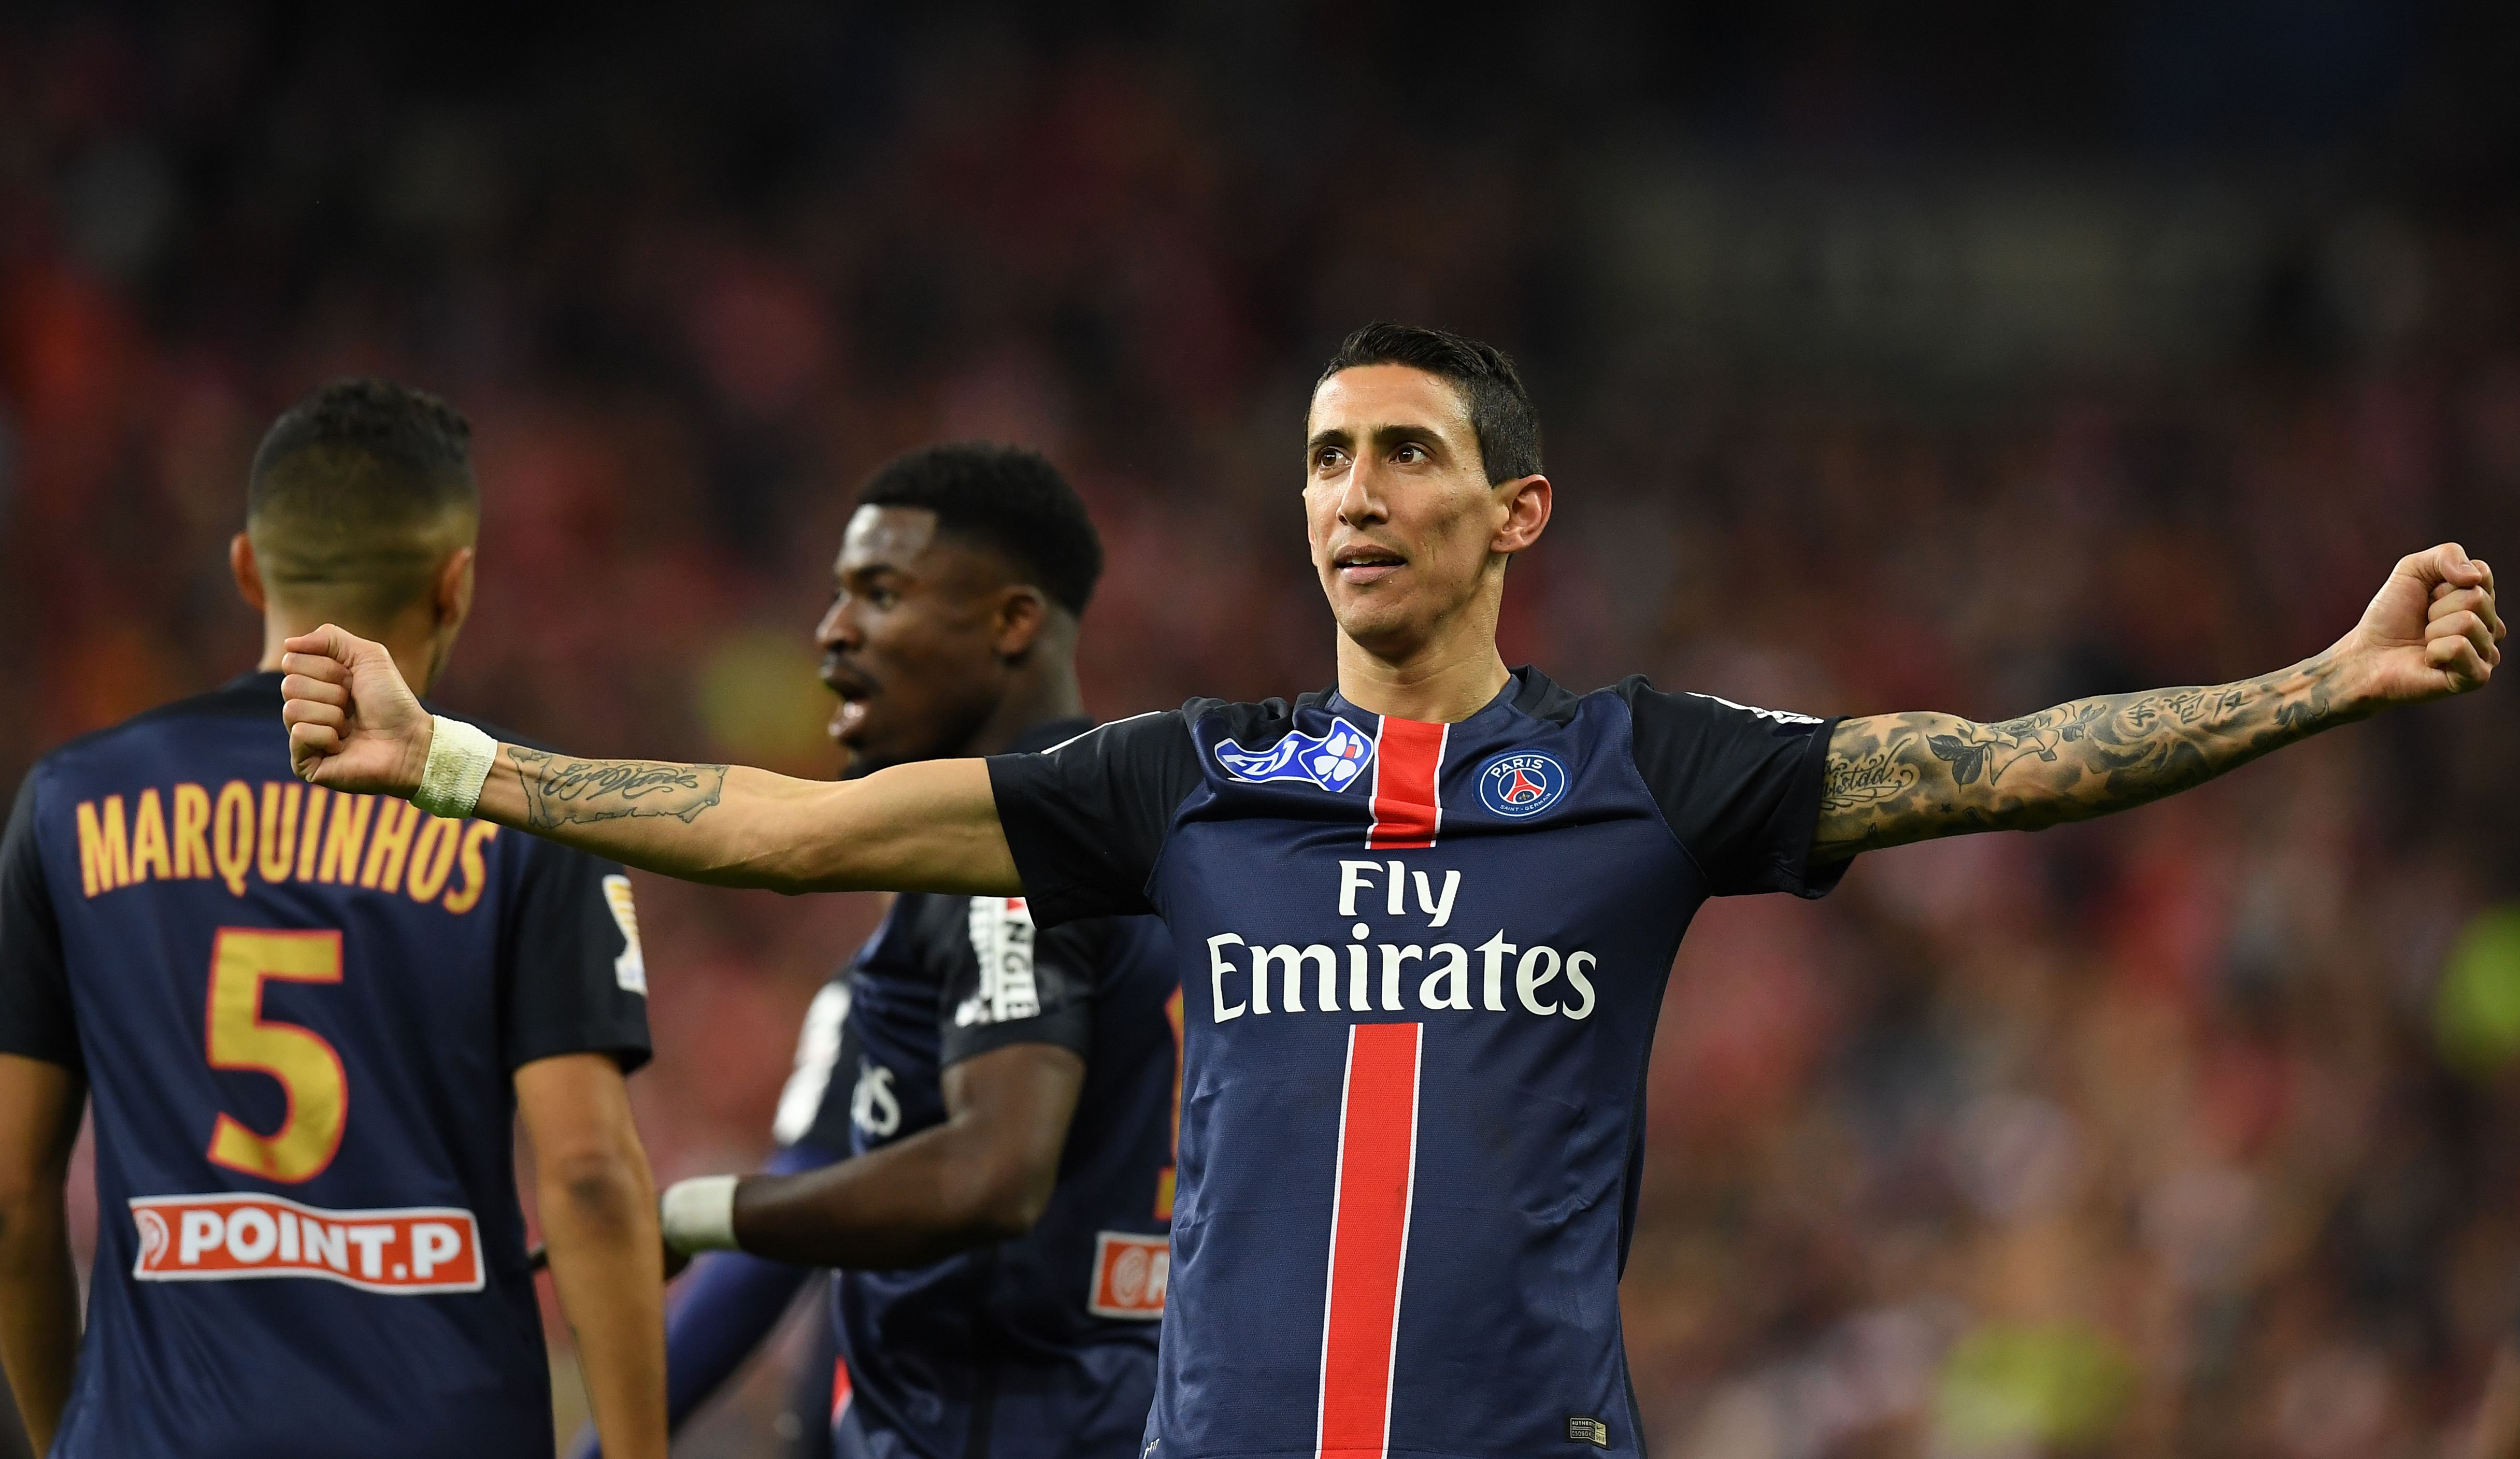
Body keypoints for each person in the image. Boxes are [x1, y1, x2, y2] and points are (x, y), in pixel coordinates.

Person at [278, 324, 2505, 1459]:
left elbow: (1997, 769)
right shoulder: (1194, 778)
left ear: (1515, 507)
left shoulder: (1641, 770)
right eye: (1328, 453)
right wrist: (457, 758)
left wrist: (2321, 677)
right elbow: (779, 825)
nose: (1354, 490)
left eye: (1408, 450)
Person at [0, 380, 667, 1459]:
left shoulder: (70, 800)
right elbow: (588, 1173)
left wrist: (69, 1436)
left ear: (248, 568)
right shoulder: (528, 816)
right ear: (457, 586)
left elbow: (10, 1196)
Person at [568, 444, 1179, 1459]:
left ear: (1012, 621)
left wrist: (703, 1209)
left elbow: (993, 1170)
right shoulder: (1137, 853)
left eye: (880, 594)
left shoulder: (1013, 861)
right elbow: (823, 1190)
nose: (832, 632)